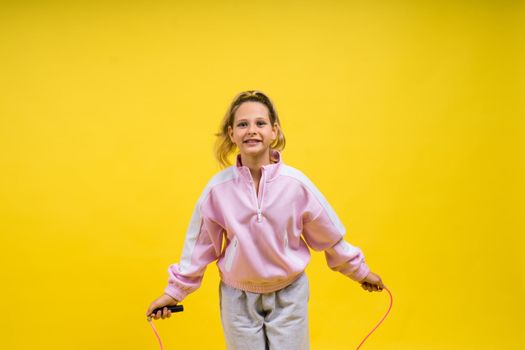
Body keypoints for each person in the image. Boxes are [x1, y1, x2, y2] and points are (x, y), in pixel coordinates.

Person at [146, 90, 386, 350]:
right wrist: (174, 293)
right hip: (237, 298)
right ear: (231, 133)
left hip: (289, 294)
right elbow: (199, 247)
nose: (251, 130)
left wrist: (361, 272)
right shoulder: (217, 190)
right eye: (242, 124)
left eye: (260, 123)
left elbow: (330, 237)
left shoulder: (296, 185)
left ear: (274, 131)